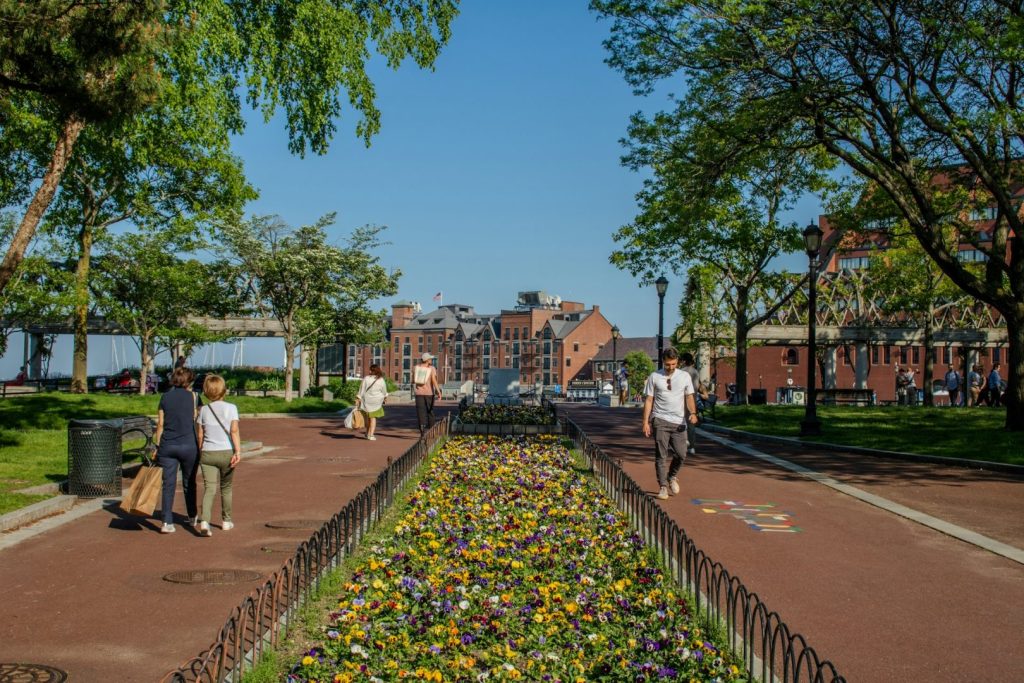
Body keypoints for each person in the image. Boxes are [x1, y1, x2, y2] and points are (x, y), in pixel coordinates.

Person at [641, 348, 699, 500]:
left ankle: (671, 476)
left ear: (677, 362)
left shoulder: (684, 376)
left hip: (679, 422)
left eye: (673, 364)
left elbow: (689, 397)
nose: (671, 367)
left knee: (681, 454)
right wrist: (645, 422)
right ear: (663, 362)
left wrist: (693, 413)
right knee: (661, 455)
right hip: (660, 420)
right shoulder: (655, 376)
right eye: (668, 365)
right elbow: (649, 400)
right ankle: (662, 487)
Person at [153, 367, 200, 534]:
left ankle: (166, 522)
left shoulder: (164, 397)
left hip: (167, 445)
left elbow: (160, 424)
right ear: (189, 381)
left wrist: (157, 446)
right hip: (189, 445)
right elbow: (197, 420)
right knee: (189, 482)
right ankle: (192, 515)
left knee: (168, 484)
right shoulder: (194, 397)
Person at [195, 374, 241, 536]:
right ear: (224, 390)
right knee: (226, 488)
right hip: (226, 452)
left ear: (206, 391)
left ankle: (205, 522)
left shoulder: (203, 410)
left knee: (209, 489)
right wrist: (238, 451)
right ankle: (226, 521)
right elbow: (234, 431)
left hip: (208, 452)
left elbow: (200, 434)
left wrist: (201, 450)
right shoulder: (232, 408)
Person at [355, 364, 388, 440]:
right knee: (373, 418)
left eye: (370, 370)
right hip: (376, 401)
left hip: (367, 401)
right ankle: (371, 435)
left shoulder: (366, 378)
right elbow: (384, 391)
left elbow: (362, 390)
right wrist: (385, 398)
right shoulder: (381, 379)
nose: (369, 371)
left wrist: (358, 398)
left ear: (372, 371)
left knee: (368, 418)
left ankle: (367, 433)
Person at [413, 353, 442, 435]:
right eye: (430, 359)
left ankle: (422, 431)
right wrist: (438, 391)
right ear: (427, 360)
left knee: (420, 413)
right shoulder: (432, 368)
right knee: (430, 412)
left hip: (419, 394)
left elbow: (413, 380)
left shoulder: (416, 368)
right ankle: (432, 431)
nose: (431, 360)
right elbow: (434, 380)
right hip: (429, 393)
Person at [680, 352, 700, 455]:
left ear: (683, 361)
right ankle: (692, 446)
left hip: (681, 400)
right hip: (692, 398)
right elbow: (696, 387)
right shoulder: (695, 372)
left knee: (680, 421)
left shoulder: (680, 372)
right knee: (691, 423)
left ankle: (683, 442)